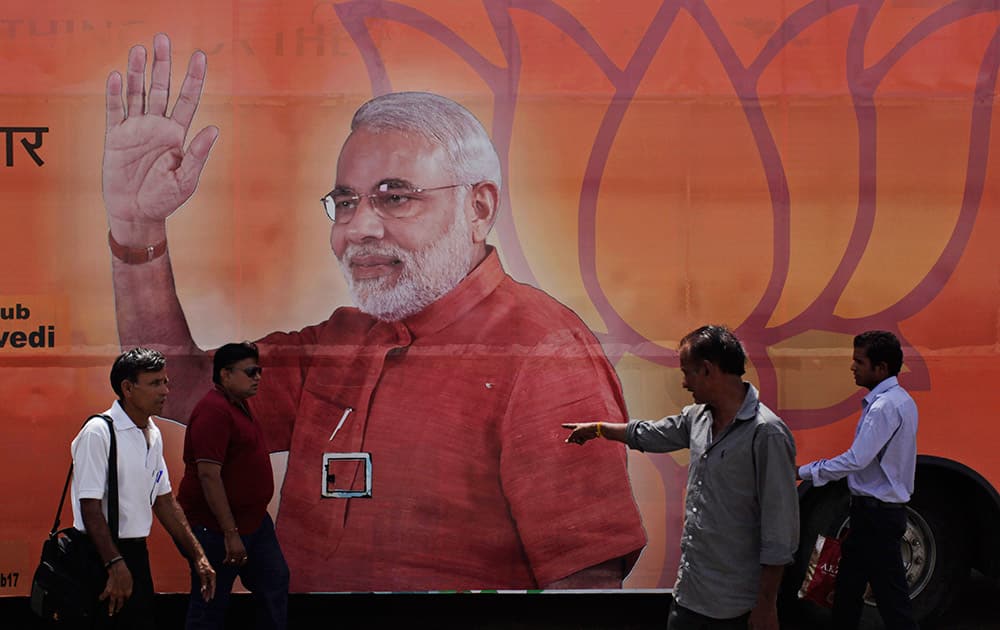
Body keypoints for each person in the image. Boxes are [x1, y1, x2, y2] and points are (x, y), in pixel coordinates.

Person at [101, 33, 645, 591]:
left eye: (395, 196)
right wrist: (138, 229)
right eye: (345, 201)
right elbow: (182, 387)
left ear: (478, 208)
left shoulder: (541, 351)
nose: (358, 226)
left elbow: (585, 590)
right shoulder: (340, 340)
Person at [564, 325, 799, 630]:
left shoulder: (766, 433)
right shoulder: (698, 418)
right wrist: (598, 429)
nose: (685, 383)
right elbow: (650, 434)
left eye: (687, 372)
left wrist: (766, 606)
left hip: (735, 606)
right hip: (689, 595)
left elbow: (779, 532)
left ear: (707, 370)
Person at [70, 348, 216, 628]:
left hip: (135, 555)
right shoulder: (99, 432)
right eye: (154, 383)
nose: (165, 391)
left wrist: (197, 556)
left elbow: (164, 501)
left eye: (165, 382)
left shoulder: (152, 432)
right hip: (100, 555)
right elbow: (90, 507)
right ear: (127, 388)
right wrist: (114, 564)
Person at [798, 330, 918, 629]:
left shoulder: (883, 407)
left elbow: (856, 460)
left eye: (859, 361)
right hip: (876, 515)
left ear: (881, 368)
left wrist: (805, 472)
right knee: (849, 593)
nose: (853, 367)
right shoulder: (901, 400)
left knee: (890, 602)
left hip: (875, 517)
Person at [177, 342, 288, 629]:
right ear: (225, 375)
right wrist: (230, 533)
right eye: (250, 371)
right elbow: (208, 476)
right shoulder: (213, 412)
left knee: (274, 584)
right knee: (210, 604)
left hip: (254, 524)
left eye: (259, 371)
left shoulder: (239, 405)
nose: (258, 377)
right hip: (216, 529)